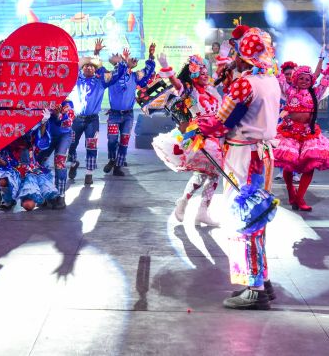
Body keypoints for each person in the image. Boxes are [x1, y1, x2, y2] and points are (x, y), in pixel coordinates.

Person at [197, 27, 281, 310]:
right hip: (265, 153)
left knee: (244, 217)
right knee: (258, 216)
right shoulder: (272, 81)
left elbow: (221, 122)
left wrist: (196, 125)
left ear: (244, 56)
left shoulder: (246, 85)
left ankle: (254, 288)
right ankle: (262, 279)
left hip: (245, 155)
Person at [152, 53, 221, 226]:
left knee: (210, 175)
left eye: (207, 72)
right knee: (211, 172)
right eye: (202, 72)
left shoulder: (211, 91)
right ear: (194, 74)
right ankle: (191, 206)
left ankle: (195, 208)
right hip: (200, 137)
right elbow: (177, 84)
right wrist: (167, 67)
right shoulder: (191, 92)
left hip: (216, 136)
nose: (206, 75)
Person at [274, 48, 329, 212]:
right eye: (301, 78)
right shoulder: (289, 91)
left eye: (307, 78)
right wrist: (271, 56)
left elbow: (326, 78)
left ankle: (300, 197)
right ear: (295, 79)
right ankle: (291, 192)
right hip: (289, 132)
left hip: (308, 133)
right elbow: (278, 77)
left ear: (311, 80)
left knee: (309, 167)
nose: (304, 80)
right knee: (289, 166)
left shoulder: (316, 93)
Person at [67, 38, 125, 186]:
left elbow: (118, 74)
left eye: (92, 66)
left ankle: (89, 173)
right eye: (86, 66)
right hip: (76, 118)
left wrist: (119, 62)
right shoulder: (75, 79)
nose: (88, 68)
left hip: (92, 120)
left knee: (91, 145)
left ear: (95, 69)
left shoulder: (102, 81)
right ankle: (73, 163)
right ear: (82, 68)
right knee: (70, 144)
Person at [104, 43, 156, 176]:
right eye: (130, 59)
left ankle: (118, 165)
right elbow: (119, 70)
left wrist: (150, 56)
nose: (134, 60)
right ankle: (112, 159)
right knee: (112, 139)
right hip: (114, 114)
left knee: (125, 141)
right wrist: (123, 62)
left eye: (134, 59)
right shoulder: (111, 76)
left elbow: (148, 71)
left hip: (128, 115)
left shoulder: (135, 76)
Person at [0, 129, 59, 212]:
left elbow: (41, 137)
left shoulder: (33, 144)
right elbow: (6, 163)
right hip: (14, 172)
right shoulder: (9, 144)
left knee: (28, 206)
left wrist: (43, 122)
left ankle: (36, 197)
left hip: (30, 174)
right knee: (3, 181)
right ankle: (8, 201)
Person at [36, 101, 75, 209]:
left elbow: (69, 122)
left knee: (60, 162)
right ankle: (45, 192)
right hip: (47, 135)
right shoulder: (43, 100)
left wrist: (58, 115)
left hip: (64, 135)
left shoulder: (68, 103)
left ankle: (61, 196)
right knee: (38, 163)